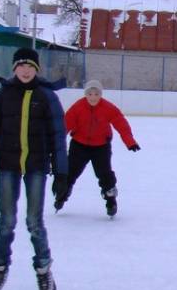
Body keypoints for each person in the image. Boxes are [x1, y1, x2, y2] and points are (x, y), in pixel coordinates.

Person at [0, 47, 68, 290]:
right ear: (14, 68)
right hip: (7, 166)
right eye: (21, 66)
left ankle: (44, 272)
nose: (26, 70)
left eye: (30, 66)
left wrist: (61, 172)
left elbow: (58, 138)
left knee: (34, 222)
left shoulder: (47, 97)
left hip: (37, 167)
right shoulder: (1, 96)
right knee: (6, 221)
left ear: (37, 69)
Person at [54, 79, 140, 217]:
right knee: (70, 172)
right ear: (85, 94)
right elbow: (65, 125)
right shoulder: (78, 107)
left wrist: (130, 142)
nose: (93, 97)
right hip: (79, 145)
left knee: (105, 174)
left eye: (96, 94)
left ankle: (111, 200)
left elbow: (121, 123)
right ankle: (62, 195)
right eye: (90, 94)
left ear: (100, 95)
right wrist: (55, 145)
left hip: (101, 147)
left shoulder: (108, 108)